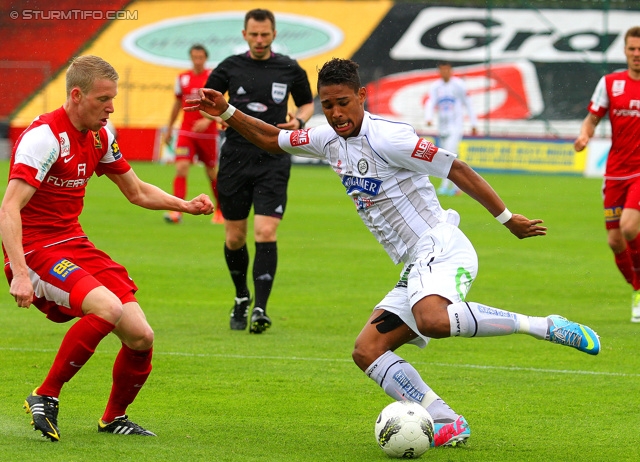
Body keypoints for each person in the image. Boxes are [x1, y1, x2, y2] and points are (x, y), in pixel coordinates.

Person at [187, 57, 601, 447]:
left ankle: (543, 325)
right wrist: (226, 112)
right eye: (328, 105)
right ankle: (444, 419)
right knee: (366, 351)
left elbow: (455, 167)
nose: (335, 113)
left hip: (440, 246)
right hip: (414, 265)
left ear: (362, 95)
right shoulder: (326, 138)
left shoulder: (391, 136)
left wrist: (507, 218)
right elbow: (271, 138)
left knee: (433, 319)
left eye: (343, 102)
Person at [0, 55, 213, 442]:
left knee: (140, 335)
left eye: (113, 98)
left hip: (74, 243)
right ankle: (44, 395)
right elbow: (9, 208)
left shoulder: (101, 134)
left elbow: (136, 191)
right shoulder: (44, 137)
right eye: (104, 99)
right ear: (77, 95)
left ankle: (114, 417)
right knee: (108, 308)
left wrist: (185, 205)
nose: (111, 107)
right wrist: (18, 273)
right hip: (35, 251)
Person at [204, 8, 314, 334]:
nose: (259, 40)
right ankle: (241, 297)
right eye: (253, 34)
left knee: (265, 232)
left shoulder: (290, 68)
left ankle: (261, 309)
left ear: (274, 34)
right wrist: (223, 116)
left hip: (274, 157)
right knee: (235, 237)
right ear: (244, 35)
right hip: (235, 159)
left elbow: (307, 103)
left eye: (265, 34)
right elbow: (208, 104)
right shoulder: (229, 67)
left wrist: (299, 120)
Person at [574, 26, 640, 323]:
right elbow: (592, 119)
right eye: (632, 49)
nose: (637, 55)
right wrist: (584, 136)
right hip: (615, 172)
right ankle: (637, 289)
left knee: (628, 227)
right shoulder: (610, 83)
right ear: (625, 51)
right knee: (615, 241)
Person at [163, 44, 223, 224]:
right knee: (181, 168)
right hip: (186, 132)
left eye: (200, 57)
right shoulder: (182, 78)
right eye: (194, 57)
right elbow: (176, 104)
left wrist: (208, 120)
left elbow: (220, 104)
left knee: (212, 173)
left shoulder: (212, 77)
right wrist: (169, 128)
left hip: (208, 134)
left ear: (205, 58)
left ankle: (220, 210)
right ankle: (177, 212)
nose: (197, 60)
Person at [424, 60, 478, 196]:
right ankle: (457, 186)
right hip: (443, 127)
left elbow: (468, 103)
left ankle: (445, 185)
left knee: (449, 153)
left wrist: (474, 123)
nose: (444, 73)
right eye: (441, 70)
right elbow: (431, 102)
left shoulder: (459, 85)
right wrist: (429, 117)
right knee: (448, 154)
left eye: (446, 70)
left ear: (451, 70)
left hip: (456, 125)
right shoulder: (436, 87)